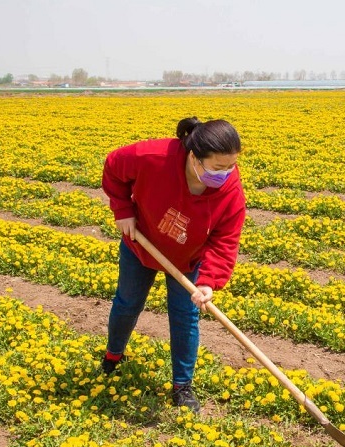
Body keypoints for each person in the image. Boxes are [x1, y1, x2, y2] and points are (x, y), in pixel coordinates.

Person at [101, 117, 246, 413]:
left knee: (185, 316)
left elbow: (225, 240)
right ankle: (113, 356)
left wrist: (208, 281)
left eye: (231, 166)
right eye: (218, 167)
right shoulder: (153, 157)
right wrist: (123, 209)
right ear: (194, 157)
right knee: (127, 304)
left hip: (187, 257)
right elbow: (113, 166)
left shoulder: (231, 192)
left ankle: (182, 385)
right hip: (141, 241)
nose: (226, 174)